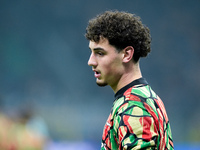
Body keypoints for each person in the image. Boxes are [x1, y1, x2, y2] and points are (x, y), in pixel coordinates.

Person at [85, 10, 174, 150]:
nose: (91, 61)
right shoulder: (145, 96)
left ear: (126, 54)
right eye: (91, 52)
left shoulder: (134, 106)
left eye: (100, 53)